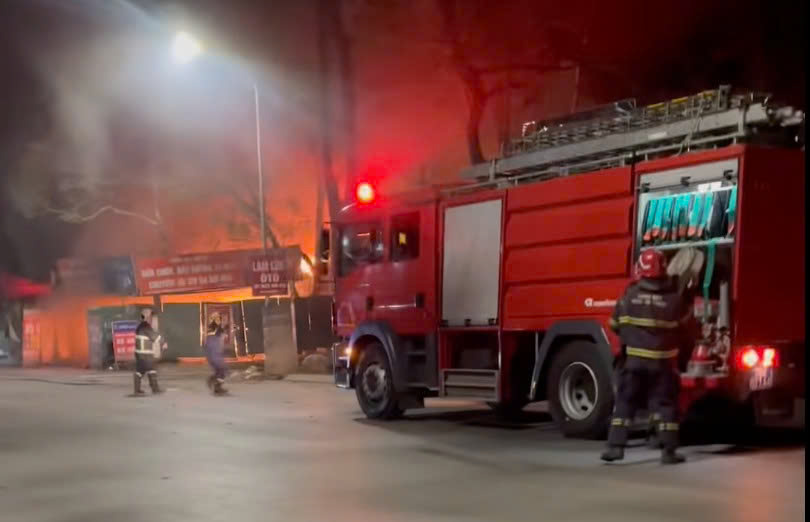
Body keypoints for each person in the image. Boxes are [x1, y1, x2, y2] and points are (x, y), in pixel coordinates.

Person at [601, 249, 692, 465]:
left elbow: (613, 325)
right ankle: (668, 452)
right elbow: (686, 330)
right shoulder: (674, 301)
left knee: (625, 403)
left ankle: (615, 448)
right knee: (664, 405)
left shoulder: (628, 298)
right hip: (662, 364)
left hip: (633, 363)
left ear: (640, 270)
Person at [133, 308, 165, 396]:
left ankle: (139, 390)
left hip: (140, 354)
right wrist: (163, 342)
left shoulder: (141, 326)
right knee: (149, 370)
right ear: (147, 316)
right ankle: (154, 389)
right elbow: (154, 337)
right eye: (151, 316)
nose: (151, 318)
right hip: (145, 354)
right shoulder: (145, 326)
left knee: (144, 371)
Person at [204, 313, 228, 395]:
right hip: (215, 354)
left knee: (220, 371)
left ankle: (214, 382)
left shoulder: (211, 329)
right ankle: (215, 385)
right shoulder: (217, 329)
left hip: (212, 354)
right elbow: (219, 338)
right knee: (223, 370)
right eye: (218, 319)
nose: (220, 320)